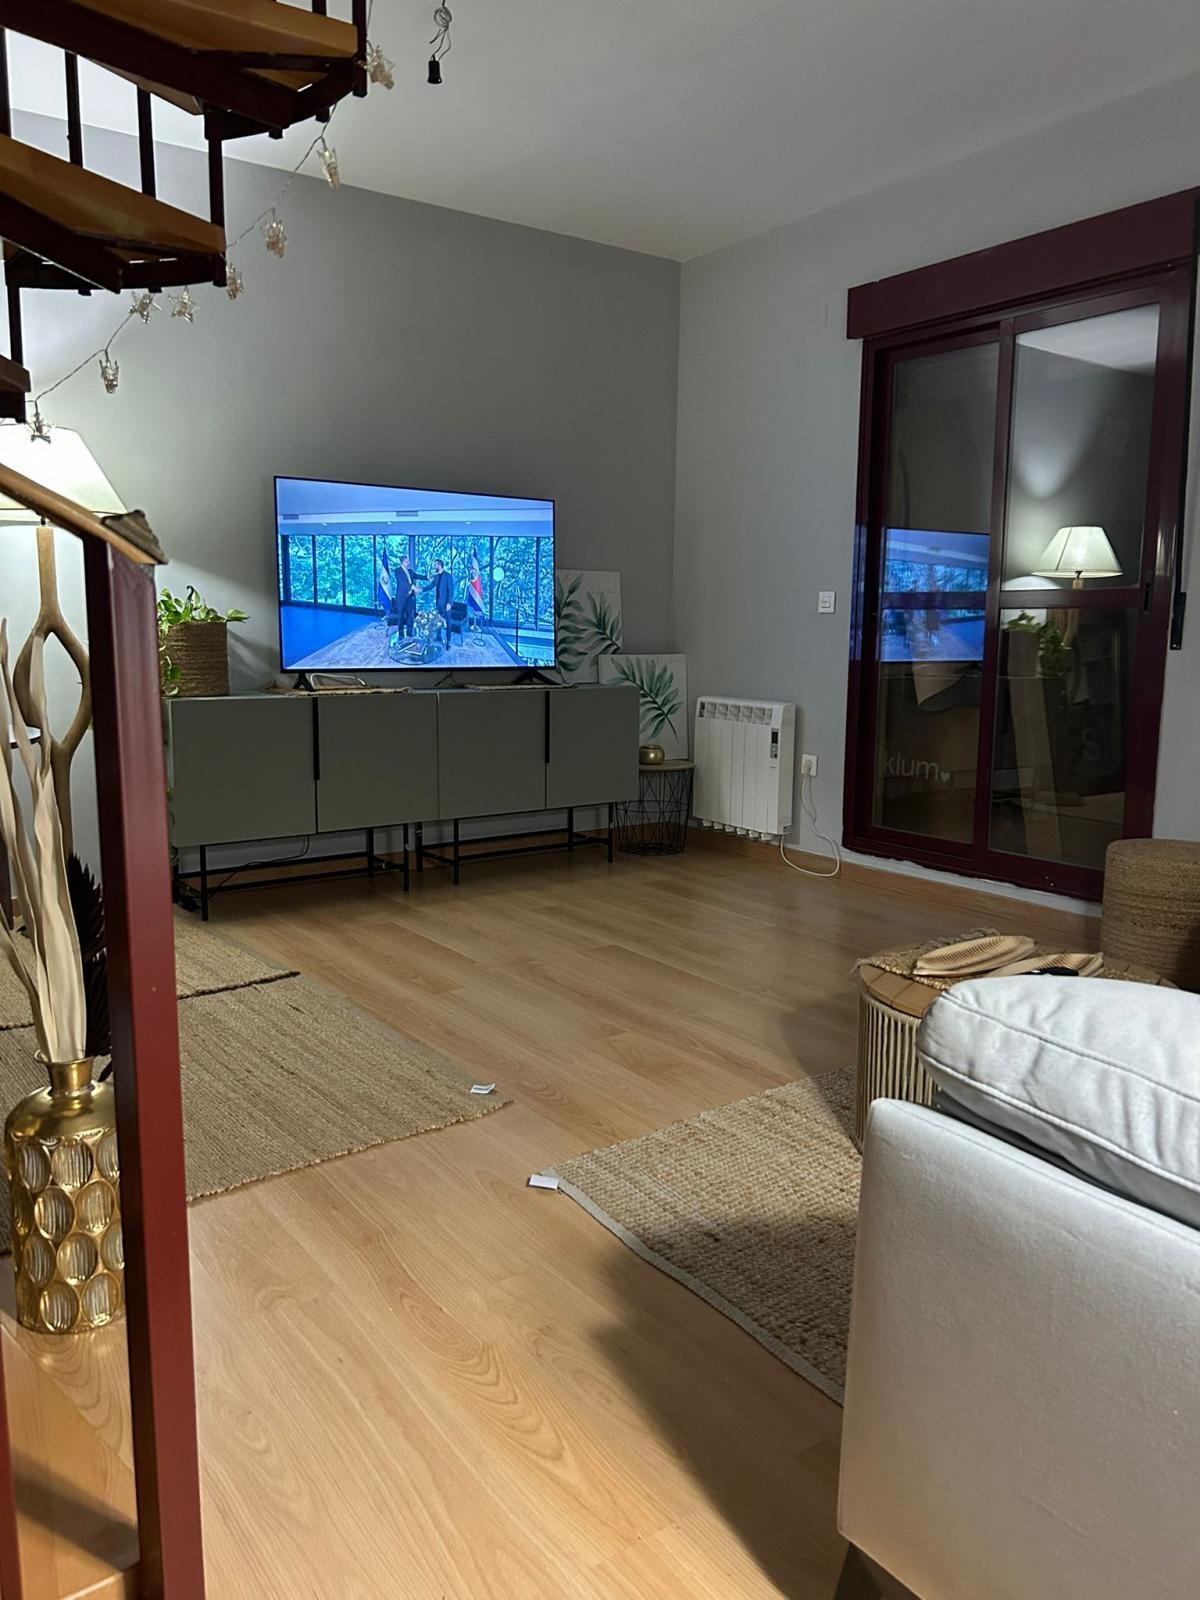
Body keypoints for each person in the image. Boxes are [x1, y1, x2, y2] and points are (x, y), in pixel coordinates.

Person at [432, 558, 455, 645]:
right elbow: (431, 586)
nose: (434, 566)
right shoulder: (436, 576)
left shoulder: (448, 576)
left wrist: (449, 603)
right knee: (438, 620)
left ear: (439, 565)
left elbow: (451, 590)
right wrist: (421, 589)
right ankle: (438, 637)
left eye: (435, 564)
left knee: (448, 622)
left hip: (446, 604)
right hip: (438, 603)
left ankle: (448, 640)